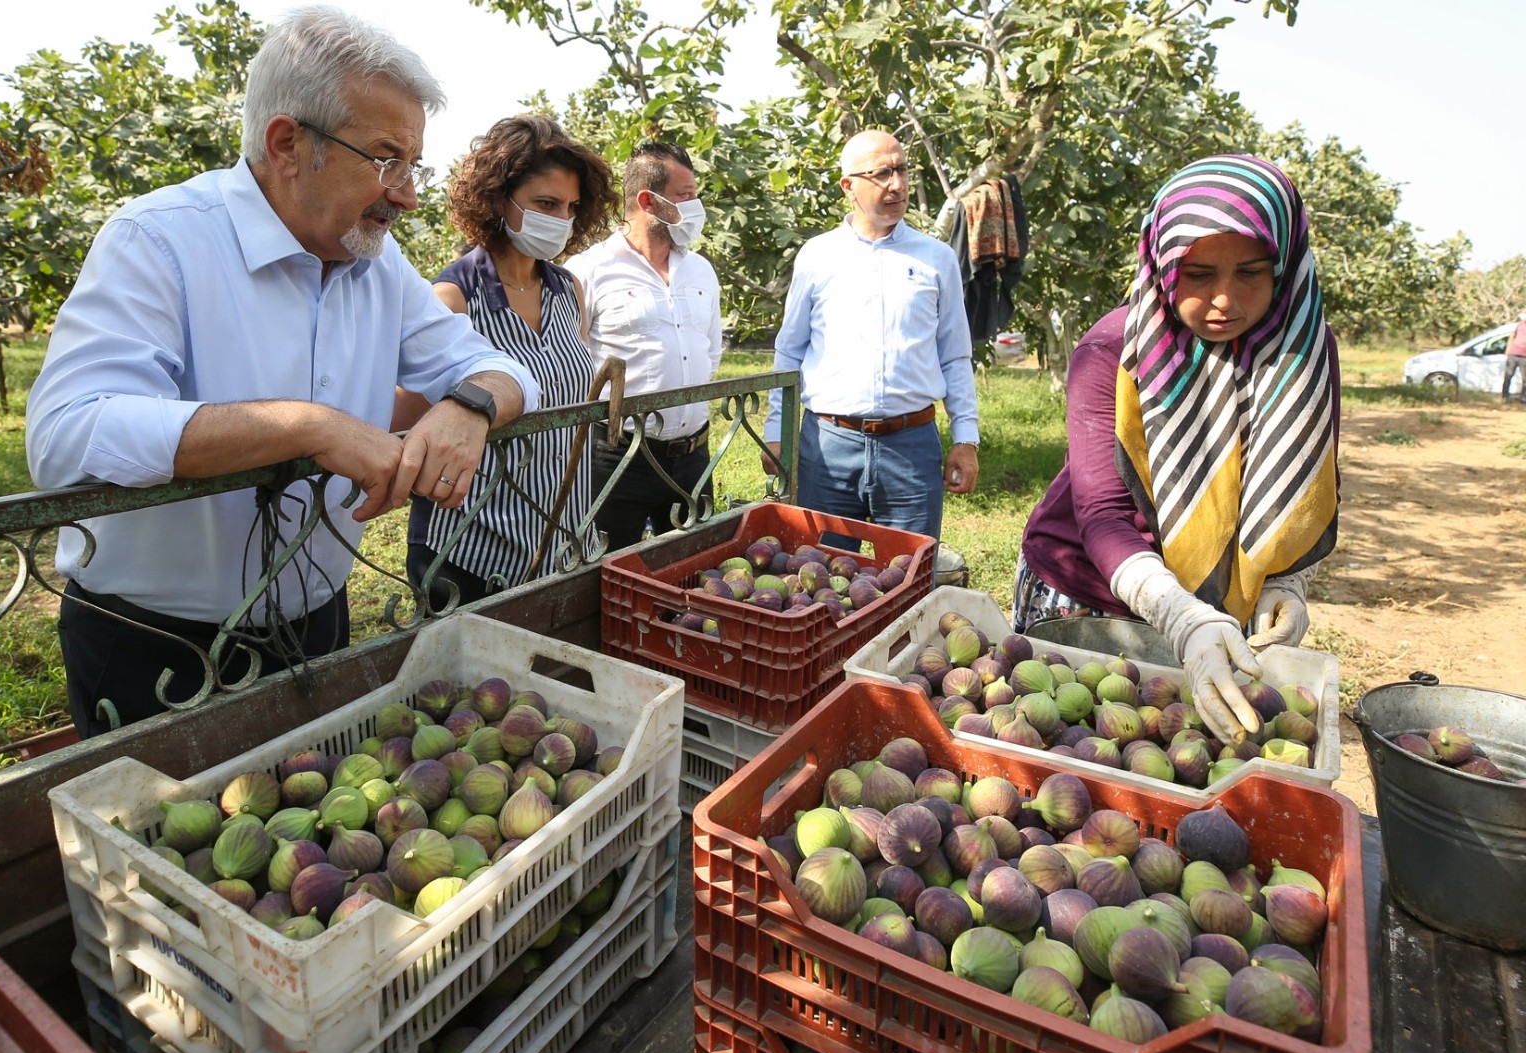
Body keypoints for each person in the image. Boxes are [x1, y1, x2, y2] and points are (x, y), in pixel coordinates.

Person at [24, 7, 540, 737]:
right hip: (152, 645)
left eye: (413, 166)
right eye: (387, 158)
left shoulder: (377, 265)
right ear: (288, 144)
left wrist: (467, 405)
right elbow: (67, 434)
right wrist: (306, 427)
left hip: (317, 622)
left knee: (313, 836)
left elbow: (500, 368)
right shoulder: (159, 241)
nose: (408, 194)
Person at [1013, 154, 1340, 748]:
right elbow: (1104, 516)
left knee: (1191, 753)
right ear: (1162, 266)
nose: (1224, 300)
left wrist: (1287, 583)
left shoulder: (1306, 350)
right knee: (1075, 752)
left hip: (1219, 604)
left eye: (1251, 272)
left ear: (1286, 263)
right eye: (1197, 275)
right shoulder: (1113, 350)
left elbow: (1298, 478)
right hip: (1094, 587)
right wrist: (1181, 617)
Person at [396, 115, 617, 607]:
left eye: (571, 207)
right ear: (498, 200)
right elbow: (408, 420)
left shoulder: (568, 290)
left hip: (558, 537)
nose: (560, 219)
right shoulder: (453, 298)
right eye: (545, 204)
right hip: (471, 549)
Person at [760, 130, 979, 545]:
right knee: (819, 579)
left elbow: (954, 354)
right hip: (827, 448)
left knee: (906, 581)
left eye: (901, 170)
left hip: (912, 449)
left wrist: (966, 438)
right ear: (849, 186)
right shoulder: (817, 256)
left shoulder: (937, 258)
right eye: (882, 173)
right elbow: (790, 350)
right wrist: (778, 431)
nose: (897, 184)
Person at [565, 142, 722, 550]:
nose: (696, 205)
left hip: (692, 457)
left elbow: (711, 351)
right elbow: (573, 364)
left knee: (694, 568)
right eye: (686, 195)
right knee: (612, 570)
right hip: (619, 458)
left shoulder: (700, 270)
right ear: (649, 201)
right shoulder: (587, 270)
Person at [1502, 311, 1526, 404]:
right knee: (1508, 375)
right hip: (1513, 354)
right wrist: (1508, 349)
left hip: (1524, 356)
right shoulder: (1519, 325)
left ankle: (1523, 398)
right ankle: (1505, 396)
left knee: (1525, 379)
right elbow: (1512, 336)